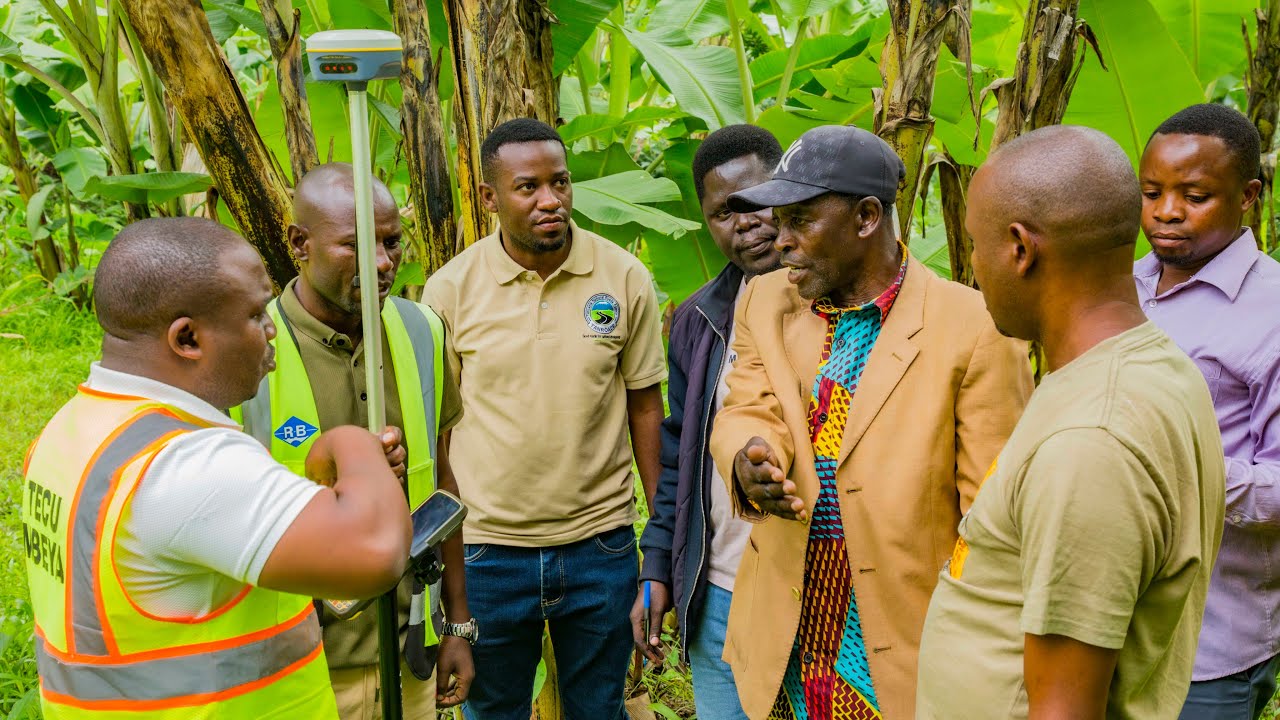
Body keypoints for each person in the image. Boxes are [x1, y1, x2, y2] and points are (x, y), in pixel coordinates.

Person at [23, 217, 412, 718]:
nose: (272, 329)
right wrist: (350, 441)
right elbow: (375, 551)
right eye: (255, 315)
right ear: (187, 338)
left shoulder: (73, 429)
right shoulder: (186, 462)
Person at [707, 124, 1032, 720]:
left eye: (800, 221)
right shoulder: (765, 300)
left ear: (864, 218)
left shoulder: (973, 326)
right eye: (778, 222)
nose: (780, 242)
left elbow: (992, 522)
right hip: (787, 640)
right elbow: (745, 404)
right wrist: (748, 453)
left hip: (899, 648)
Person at [916, 125, 1227, 719]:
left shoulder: (1092, 441)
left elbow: (1064, 708)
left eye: (975, 247)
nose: (974, 269)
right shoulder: (1147, 364)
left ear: (1020, 249)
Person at [423, 118, 666, 720]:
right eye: (528, 187)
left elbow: (644, 405)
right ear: (490, 197)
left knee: (599, 710)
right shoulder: (451, 290)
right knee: (494, 711)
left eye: (560, 182)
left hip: (601, 549)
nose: (550, 200)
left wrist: (657, 538)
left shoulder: (623, 277)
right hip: (488, 553)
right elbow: (440, 431)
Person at [231, 163, 474, 720]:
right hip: (301, 662)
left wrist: (458, 624)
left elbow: (441, 484)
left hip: (411, 646)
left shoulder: (421, 331)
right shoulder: (246, 350)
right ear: (299, 243)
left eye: (392, 242)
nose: (383, 264)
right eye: (357, 246)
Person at [632, 124, 783, 720]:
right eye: (724, 212)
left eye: (758, 199)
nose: (746, 222)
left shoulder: (843, 308)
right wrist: (658, 567)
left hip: (820, 590)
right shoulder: (698, 320)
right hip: (720, 583)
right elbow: (679, 454)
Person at [1137, 104, 1280, 720]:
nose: (1167, 212)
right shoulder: (1127, 287)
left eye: (1194, 195)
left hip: (1209, 649)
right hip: (1111, 626)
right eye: (1151, 193)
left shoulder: (1270, 314)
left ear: (1247, 195)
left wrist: (1174, 471)